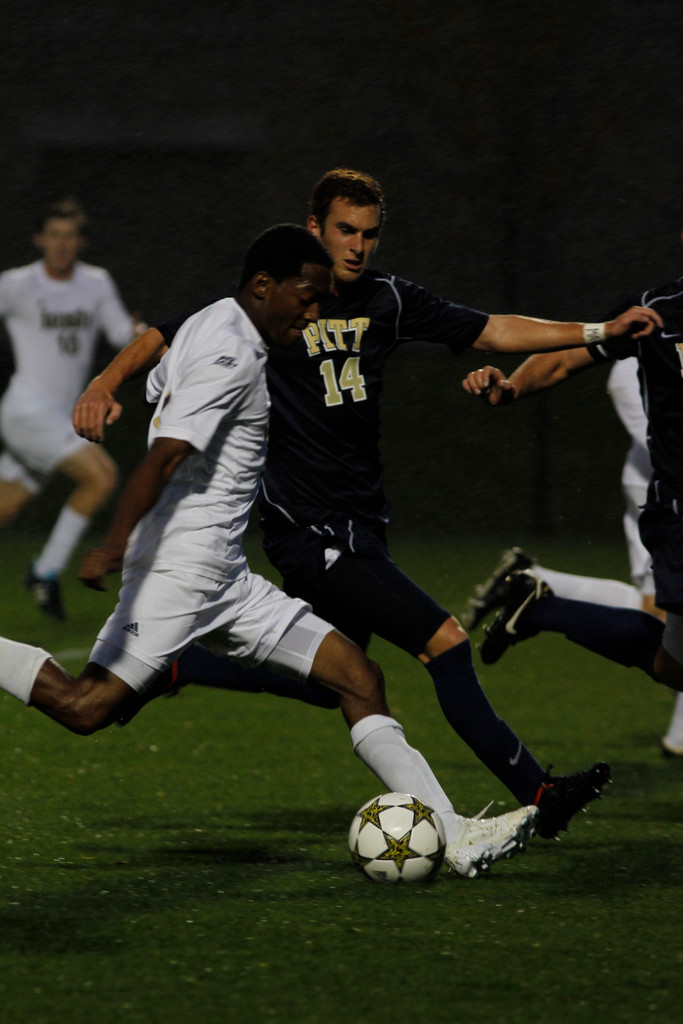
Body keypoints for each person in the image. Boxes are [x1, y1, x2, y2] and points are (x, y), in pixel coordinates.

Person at [73, 169, 660, 838]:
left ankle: (181, 665)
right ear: (315, 228)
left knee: (335, 678)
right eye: (344, 231)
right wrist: (103, 381)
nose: (357, 246)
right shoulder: (277, 302)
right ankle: (537, 790)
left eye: (369, 234)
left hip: (360, 523)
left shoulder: (388, 301)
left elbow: (493, 329)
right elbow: (164, 334)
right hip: (308, 527)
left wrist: (596, 330)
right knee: (445, 643)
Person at [0, 223, 542, 880]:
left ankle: (452, 834)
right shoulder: (231, 354)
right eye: (306, 299)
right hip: (180, 572)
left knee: (358, 678)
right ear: (264, 287)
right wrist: (113, 541)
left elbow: (158, 376)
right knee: (86, 707)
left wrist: (114, 389)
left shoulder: (209, 322)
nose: (313, 313)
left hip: (224, 572)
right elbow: (165, 454)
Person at [460, 265, 683, 707]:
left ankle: (543, 606)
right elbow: (565, 357)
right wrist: (512, 387)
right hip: (681, 514)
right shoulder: (659, 313)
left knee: (673, 665)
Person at [0, 198, 143, 620]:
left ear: (80, 241)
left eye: (70, 236)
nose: (62, 245)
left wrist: (139, 332)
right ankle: (45, 572)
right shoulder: (16, 283)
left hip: (59, 418)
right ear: (40, 239)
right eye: (54, 235)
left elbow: (121, 333)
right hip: (26, 411)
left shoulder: (96, 283)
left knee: (5, 507)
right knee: (101, 477)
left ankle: (43, 572)